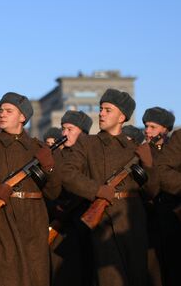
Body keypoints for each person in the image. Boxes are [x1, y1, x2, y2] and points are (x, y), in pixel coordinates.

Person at [61, 89, 159, 286]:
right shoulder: (87, 143)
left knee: (136, 277)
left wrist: (149, 166)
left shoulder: (135, 150)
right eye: (101, 109)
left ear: (122, 117)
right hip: (102, 220)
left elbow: (151, 191)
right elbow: (67, 173)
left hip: (132, 222)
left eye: (107, 110)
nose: (101, 114)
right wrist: (96, 189)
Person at [0, 92, 57, 286]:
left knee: (36, 276)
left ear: (23, 117)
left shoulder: (38, 148)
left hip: (34, 219)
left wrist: (49, 167)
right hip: (1, 218)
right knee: (6, 275)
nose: (2, 114)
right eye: (1, 110)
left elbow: (54, 192)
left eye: (9, 111)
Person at [49, 110, 93, 286]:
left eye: (70, 129)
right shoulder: (55, 156)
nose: (64, 133)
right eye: (63, 128)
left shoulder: (91, 155)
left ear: (83, 133)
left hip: (84, 223)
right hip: (59, 224)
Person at [142, 107, 179, 286]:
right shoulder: (141, 152)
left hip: (173, 217)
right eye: (146, 126)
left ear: (165, 129)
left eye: (152, 127)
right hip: (151, 222)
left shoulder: (173, 149)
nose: (147, 131)